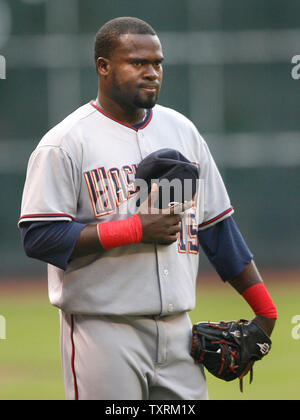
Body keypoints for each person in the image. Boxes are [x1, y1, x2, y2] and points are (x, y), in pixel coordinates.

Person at [19, 17, 277, 400]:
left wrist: (265, 311)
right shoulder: (66, 142)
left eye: (157, 63)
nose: (152, 72)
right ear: (103, 66)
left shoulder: (183, 131)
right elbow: (39, 237)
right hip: (103, 333)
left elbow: (217, 228)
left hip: (180, 335)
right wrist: (135, 230)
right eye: (137, 63)